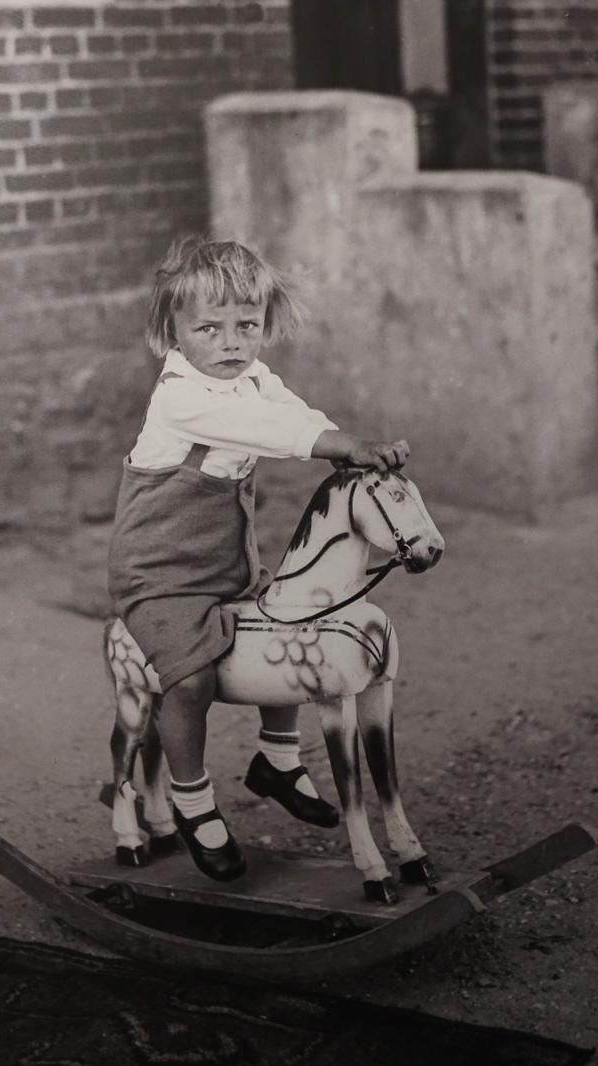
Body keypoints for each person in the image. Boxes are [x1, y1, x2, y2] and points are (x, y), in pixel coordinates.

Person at [107, 237, 409, 882]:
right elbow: (271, 433)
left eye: (247, 326)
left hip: (226, 565)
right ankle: (192, 800)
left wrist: (339, 441)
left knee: (291, 630)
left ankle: (277, 758)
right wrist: (339, 444)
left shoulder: (251, 377)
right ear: (172, 332)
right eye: (208, 329)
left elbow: (290, 412)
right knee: (189, 679)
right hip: (160, 573)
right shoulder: (181, 397)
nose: (231, 343)